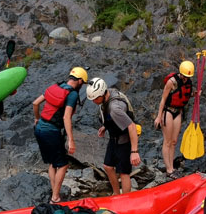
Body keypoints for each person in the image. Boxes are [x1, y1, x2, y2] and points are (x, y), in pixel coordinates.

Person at [33, 67, 88, 204]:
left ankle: (54, 192)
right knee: (63, 165)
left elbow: (35, 103)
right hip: (51, 131)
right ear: (80, 81)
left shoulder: (56, 86)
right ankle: (55, 198)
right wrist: (71, 140)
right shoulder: (73, 94)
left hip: (39, 129)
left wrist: (36, 118)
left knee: (53, 163)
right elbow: (66, 117)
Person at [86, 77, 141, 195]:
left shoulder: (114, 108)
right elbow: (112, 118)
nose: (93, 101)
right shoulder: (107, 94)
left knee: (123, 172)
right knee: (108, 166)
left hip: (125, 140)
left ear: (102, 94)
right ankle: (116, 193)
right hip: (114, 137)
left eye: (95, 99)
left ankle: (125, 200)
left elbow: (131, 126)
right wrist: (106, 127)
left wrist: (134, 151)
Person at [154, 61, 195, 179]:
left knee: (174, 141)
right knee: (167, 141)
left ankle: (172, 167)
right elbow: (163, 99)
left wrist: (195, 94)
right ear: (180, 74)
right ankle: (169, 169)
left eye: (188, 77)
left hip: (178, 112)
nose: (186, 78)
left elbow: (185, 94)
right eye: (184, 76)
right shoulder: (171, 82)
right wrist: (158, 116)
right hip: (168, 111)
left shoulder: (188, 82)